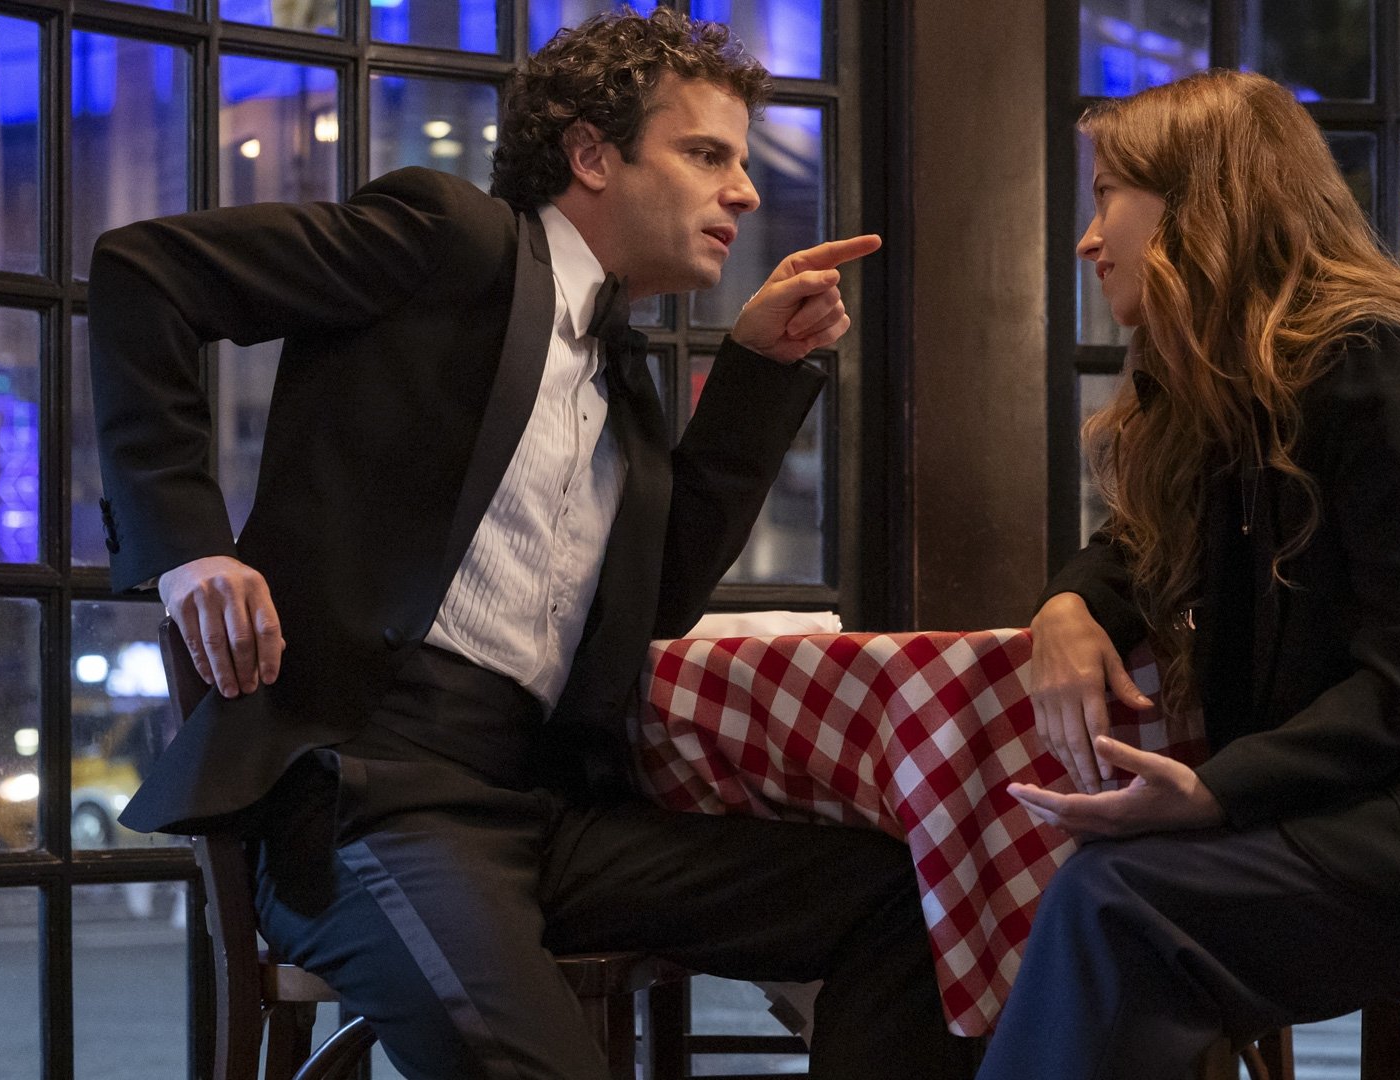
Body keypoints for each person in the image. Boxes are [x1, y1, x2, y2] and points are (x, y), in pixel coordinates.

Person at [90, 11, 977, 1080]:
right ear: (591, 155)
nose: (744, 191)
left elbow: (659, 598)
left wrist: (756, 373)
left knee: (911, 900)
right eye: (708, 154)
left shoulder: (622, 379)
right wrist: (190, 545)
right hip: (370, 798)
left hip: (546, 809)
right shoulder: (450, 238)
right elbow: (144, 272)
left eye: (740, 162)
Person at [978, 70, 1400, 1080]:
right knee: (1108, 896)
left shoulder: (1376, 364)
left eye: (1108, 194)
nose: (1088, 237)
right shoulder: (1235, 393)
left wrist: (1215, 792)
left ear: (1200, 205)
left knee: (1115, 901)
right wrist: (1067, 605)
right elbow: (1140, 544)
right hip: (1378, 822)